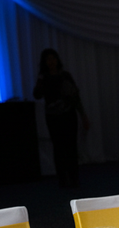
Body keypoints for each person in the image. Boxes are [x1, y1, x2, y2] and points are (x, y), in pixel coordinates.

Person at [33, 48, 89, 187]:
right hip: (53, 117)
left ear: (57, 60)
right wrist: (40, 80)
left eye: (53, 58)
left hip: (69, 115)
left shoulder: (65, 76)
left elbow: (75, 97)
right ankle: (62, 179)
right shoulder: (43, 78)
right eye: (48, 59)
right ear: (44, 62)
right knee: (59, 148)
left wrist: (83, 116)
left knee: (71, 147)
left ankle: (74, 178)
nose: (51, 62)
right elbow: (37, 95)